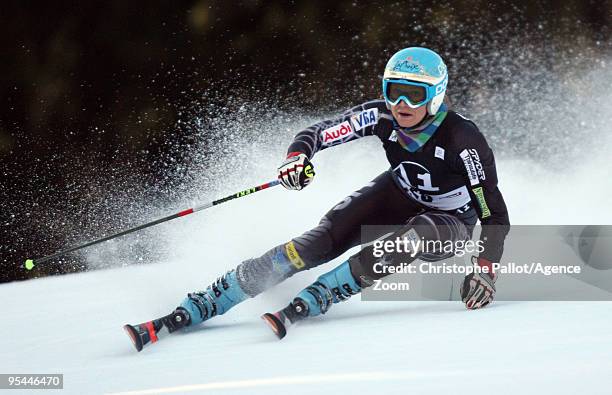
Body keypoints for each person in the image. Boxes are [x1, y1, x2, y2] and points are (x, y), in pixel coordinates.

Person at [124, 47, 510, 350]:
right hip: (400, 192)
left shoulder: (463, 141)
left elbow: (494, 213)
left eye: (414, 95)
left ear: (436, 95)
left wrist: (485, 268)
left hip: (450, 220)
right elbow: (322, 132)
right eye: (394, 92)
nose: (402, 105)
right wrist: (297, 159)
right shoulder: (383, 116)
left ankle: (322, 294)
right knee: (318, 242)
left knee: (409, 238)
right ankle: (209, 300)